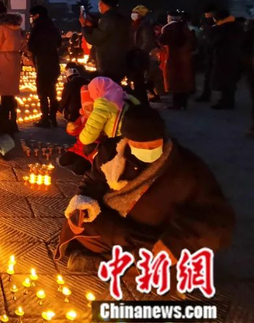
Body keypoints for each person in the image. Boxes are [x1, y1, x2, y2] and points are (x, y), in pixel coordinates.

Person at [57, 105, 234, 272]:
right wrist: (82, 201)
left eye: (153, 145)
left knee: (170, 268)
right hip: (119, 229)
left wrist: (177, 243)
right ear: (126, 139)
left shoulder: (187, 167)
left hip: (156, 237)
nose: (147, 150)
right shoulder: (112, 152)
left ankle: (107, 263)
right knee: (79, 224)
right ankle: (123, 263)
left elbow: (219, 217)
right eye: (139, 146)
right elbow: (93, 181)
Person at [0, 0, 26, 133]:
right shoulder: (16, 26)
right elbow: (23, 42)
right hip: (14, 59)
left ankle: (4, 122)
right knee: (10, 94)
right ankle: (12, 121)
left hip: (3, 60)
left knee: (4, 94)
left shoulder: (0, 26)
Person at [81, 0, 130, 83]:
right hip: (119, 61)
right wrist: (93, 25)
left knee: (109, 88)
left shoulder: (109, 18)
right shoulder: (120, 17)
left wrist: (84, 26)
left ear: (103, 3)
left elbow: (95, 38)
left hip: (109, 63)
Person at [78, 77, 138, 150]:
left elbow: (87, 137)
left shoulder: (103, 104)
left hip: (119, 139)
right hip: (135, 133)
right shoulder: (125, 96)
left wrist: (81, 138)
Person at [27, 5, 62, 128]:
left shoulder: (37, 28)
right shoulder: (53, 27)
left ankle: (45, 118)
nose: (31, 18)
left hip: (42, 62)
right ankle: (53, 117)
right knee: (52, 91)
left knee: (42, 92)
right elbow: (59, 43)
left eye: (32, 16)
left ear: (37, 15)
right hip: (53, 62)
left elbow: (31, 46)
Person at [158, 10, 197, 110]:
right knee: (183, 80)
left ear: (170, 18)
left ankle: (176, 104)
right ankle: (183, 103)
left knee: (174, 79)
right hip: (184, 57)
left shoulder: (168, 28)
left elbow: (162, 41)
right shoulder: (185, 27)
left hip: (172, 56)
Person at [210, 10, 244, 110]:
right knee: (230, 79)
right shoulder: (236, 26)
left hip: (224, 56)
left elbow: (215, 42)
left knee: (224, 80)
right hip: (235, 56)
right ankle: (228, 100)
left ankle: (226, 102)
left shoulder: (222, 28)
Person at [126, 5, 158, 104]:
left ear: (140, 14)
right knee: (139, 78)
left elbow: (147, 42)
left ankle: (145, 98)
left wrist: (140, 52)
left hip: (141, 55)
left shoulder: (144, 26)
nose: (133, 15)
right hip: (135, 53)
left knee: (141, 78)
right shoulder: (135, 25)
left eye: (135, 13)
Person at [196, 6, 218, 102]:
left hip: (213, 54)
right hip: (208, 53)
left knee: (210, 76)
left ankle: (207, 95)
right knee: (208, 76)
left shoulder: (213, 26)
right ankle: (206, 94)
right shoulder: (207, 25)